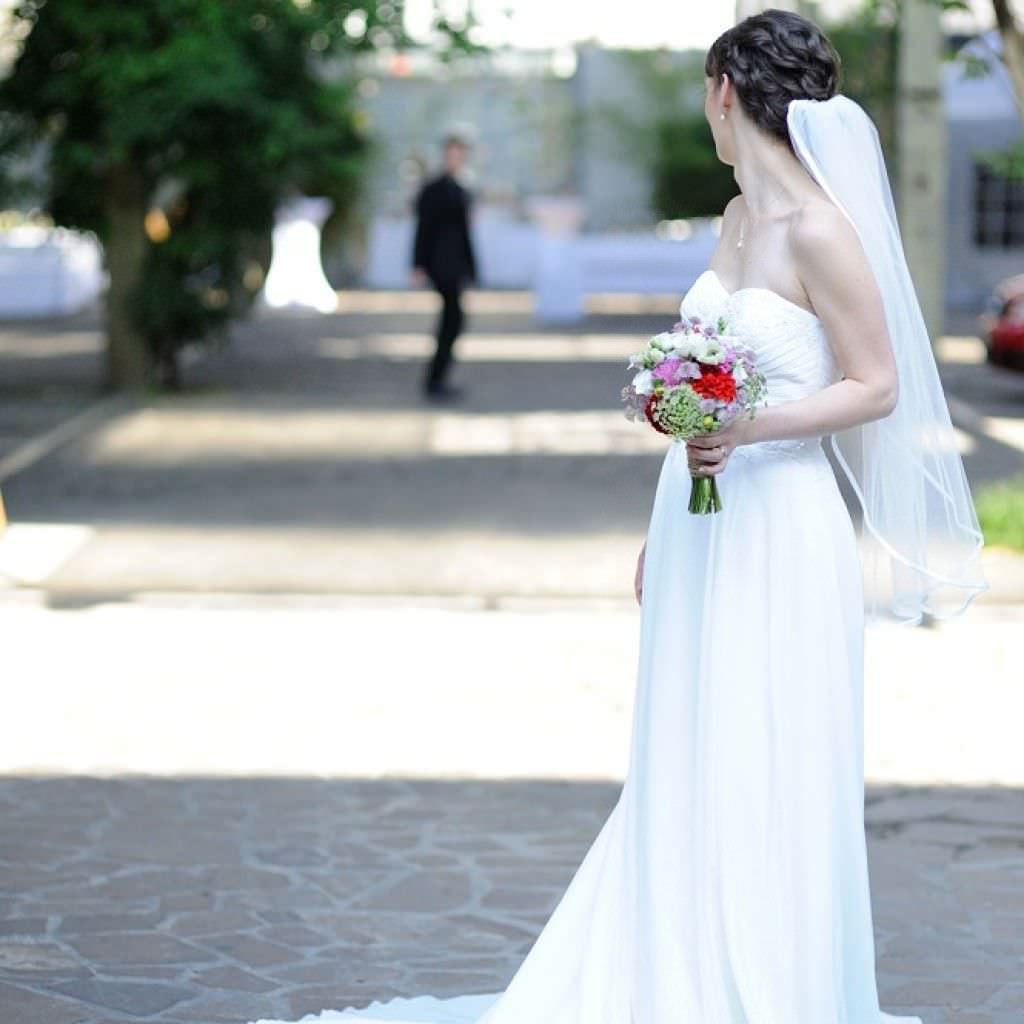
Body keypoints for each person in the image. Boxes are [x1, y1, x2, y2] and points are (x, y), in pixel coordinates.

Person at [249, 11, 986, 1024]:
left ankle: (767, 985)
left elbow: (877, 386)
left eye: (704, 92)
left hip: (782, 525)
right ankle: (670, 964)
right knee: (686, 744)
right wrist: (668, 477)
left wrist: (751, 422)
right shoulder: (733, 220)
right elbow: (708, 356)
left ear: (727, 90)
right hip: (702, 513)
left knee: (762, 749)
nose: (704, 111)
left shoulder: (822, 228)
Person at [411, 133, 478, 402]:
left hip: (455, 263)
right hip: (440, 264)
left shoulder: (460, 189)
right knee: (452, 320)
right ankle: (435, 380)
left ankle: (439, 378)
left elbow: (465, 234)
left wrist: (472, 267)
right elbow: (423, 229)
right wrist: (418, 264)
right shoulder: (434, 189)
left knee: (454, 320)